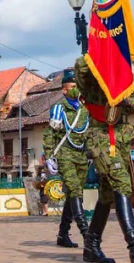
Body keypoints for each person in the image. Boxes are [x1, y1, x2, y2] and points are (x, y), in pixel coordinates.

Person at [73, 55, 134, 263]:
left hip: (120, 138)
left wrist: (126, 100)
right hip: (100, 138)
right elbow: (80, 70)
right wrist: (99, 52)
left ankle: (91, 247)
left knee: (107, 196)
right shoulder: (92, 76)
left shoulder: (124, 77)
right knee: (121, 183)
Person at [42, 68, 90, 248]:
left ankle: (63, 234)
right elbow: (50, 134)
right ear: (64, 90)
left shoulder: (84, 109)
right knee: (75, 191)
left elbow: (89, 133)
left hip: (81, 156)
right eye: (73, 87)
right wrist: (48, 156)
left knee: (73, 195)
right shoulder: (59, 108)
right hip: (65, 156)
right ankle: (88, 235)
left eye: (78, 86)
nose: (77, 89)